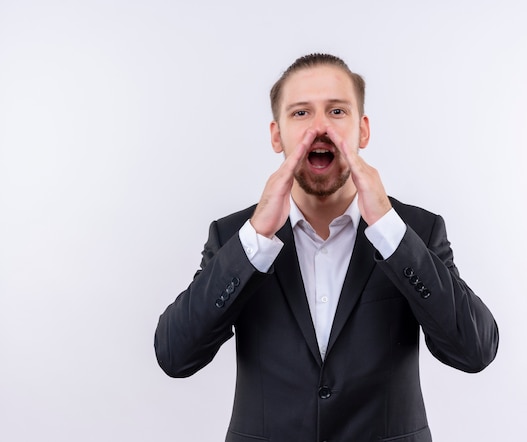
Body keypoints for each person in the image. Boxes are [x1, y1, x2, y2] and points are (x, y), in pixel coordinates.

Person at [154, 53, 499, 442]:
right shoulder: (235, 236)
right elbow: (175, 356)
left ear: (362, 131)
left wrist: (388, 229)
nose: (319, 128)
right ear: (276, 135)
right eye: (300, 114)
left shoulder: (415, 230)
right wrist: (254, 240)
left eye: (336, 111)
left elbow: (475, 351)